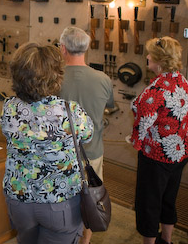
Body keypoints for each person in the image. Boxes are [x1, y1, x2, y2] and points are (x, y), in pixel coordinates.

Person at [0, 42, 94, 244]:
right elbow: (88, 135)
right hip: (60, 203)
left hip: (20, 200)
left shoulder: (9, 108)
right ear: (56, 76)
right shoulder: (71, 111)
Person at [130, 36, 188, 244]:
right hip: (180, 152)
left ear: (158, 61)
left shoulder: (155, 91)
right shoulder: (183, 82)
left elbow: (143, 122)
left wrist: (135, 140)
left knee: (149, 202)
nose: (147, 57)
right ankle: (166, 240)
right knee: (168, 198)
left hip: (156, 156)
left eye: (150, 55)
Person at [59, 26, 115, 244]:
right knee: (90, 199)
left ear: (63, 48)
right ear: (86, 49)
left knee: (62, 201)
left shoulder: (54, 79)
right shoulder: (103, 79)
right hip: (91, 151)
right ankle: (85, 241)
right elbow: (109, 106)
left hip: (60, 153)